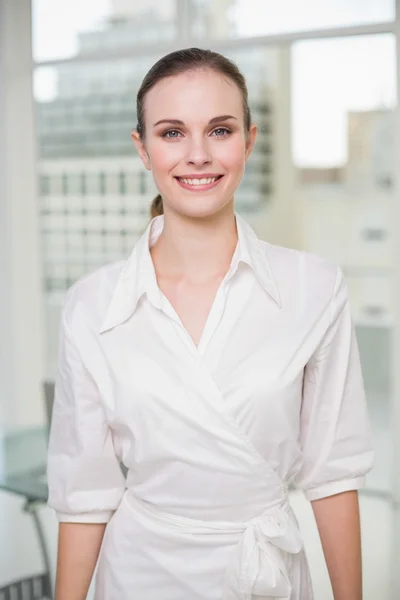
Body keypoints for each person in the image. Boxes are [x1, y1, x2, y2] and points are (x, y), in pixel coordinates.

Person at [47, 47, 373, 600]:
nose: (197, 154)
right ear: (142, 149)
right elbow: (84, 497)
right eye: (172, 133)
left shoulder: (314, 289)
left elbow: (333, 475)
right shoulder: (91, 306)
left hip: (262, 573)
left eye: (219, 130)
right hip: (138, 575)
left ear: (248, 139)